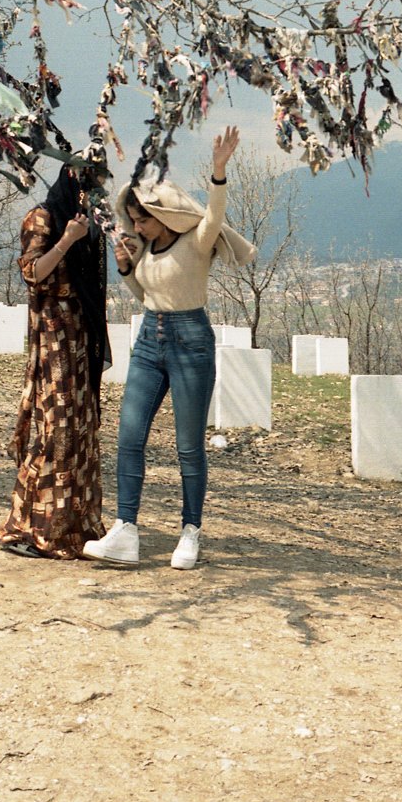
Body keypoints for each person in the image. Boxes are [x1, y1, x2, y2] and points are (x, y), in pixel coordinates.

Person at [83, 127, 255, 570]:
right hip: (149, 340)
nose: (135, 226)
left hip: (191, 340)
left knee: (188, 446)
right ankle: (125, 530)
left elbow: (214, 217)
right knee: (129, 436)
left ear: (163, 215)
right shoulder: (145, 250)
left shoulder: (196, 241)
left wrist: (219, 172)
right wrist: (125, 268)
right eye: (133, 220)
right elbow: (148, 297)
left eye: (142, 219)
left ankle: (190, 532)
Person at [0, 163, 112, 560]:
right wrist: (66, 240)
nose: (93, 195)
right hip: (54, 335)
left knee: (82, 432)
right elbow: (32, 272)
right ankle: (29, 528)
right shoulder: (42, 217)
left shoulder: (90, 224)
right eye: (89, 187)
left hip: (81, 336)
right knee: (57, 431)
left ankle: (74, 526)